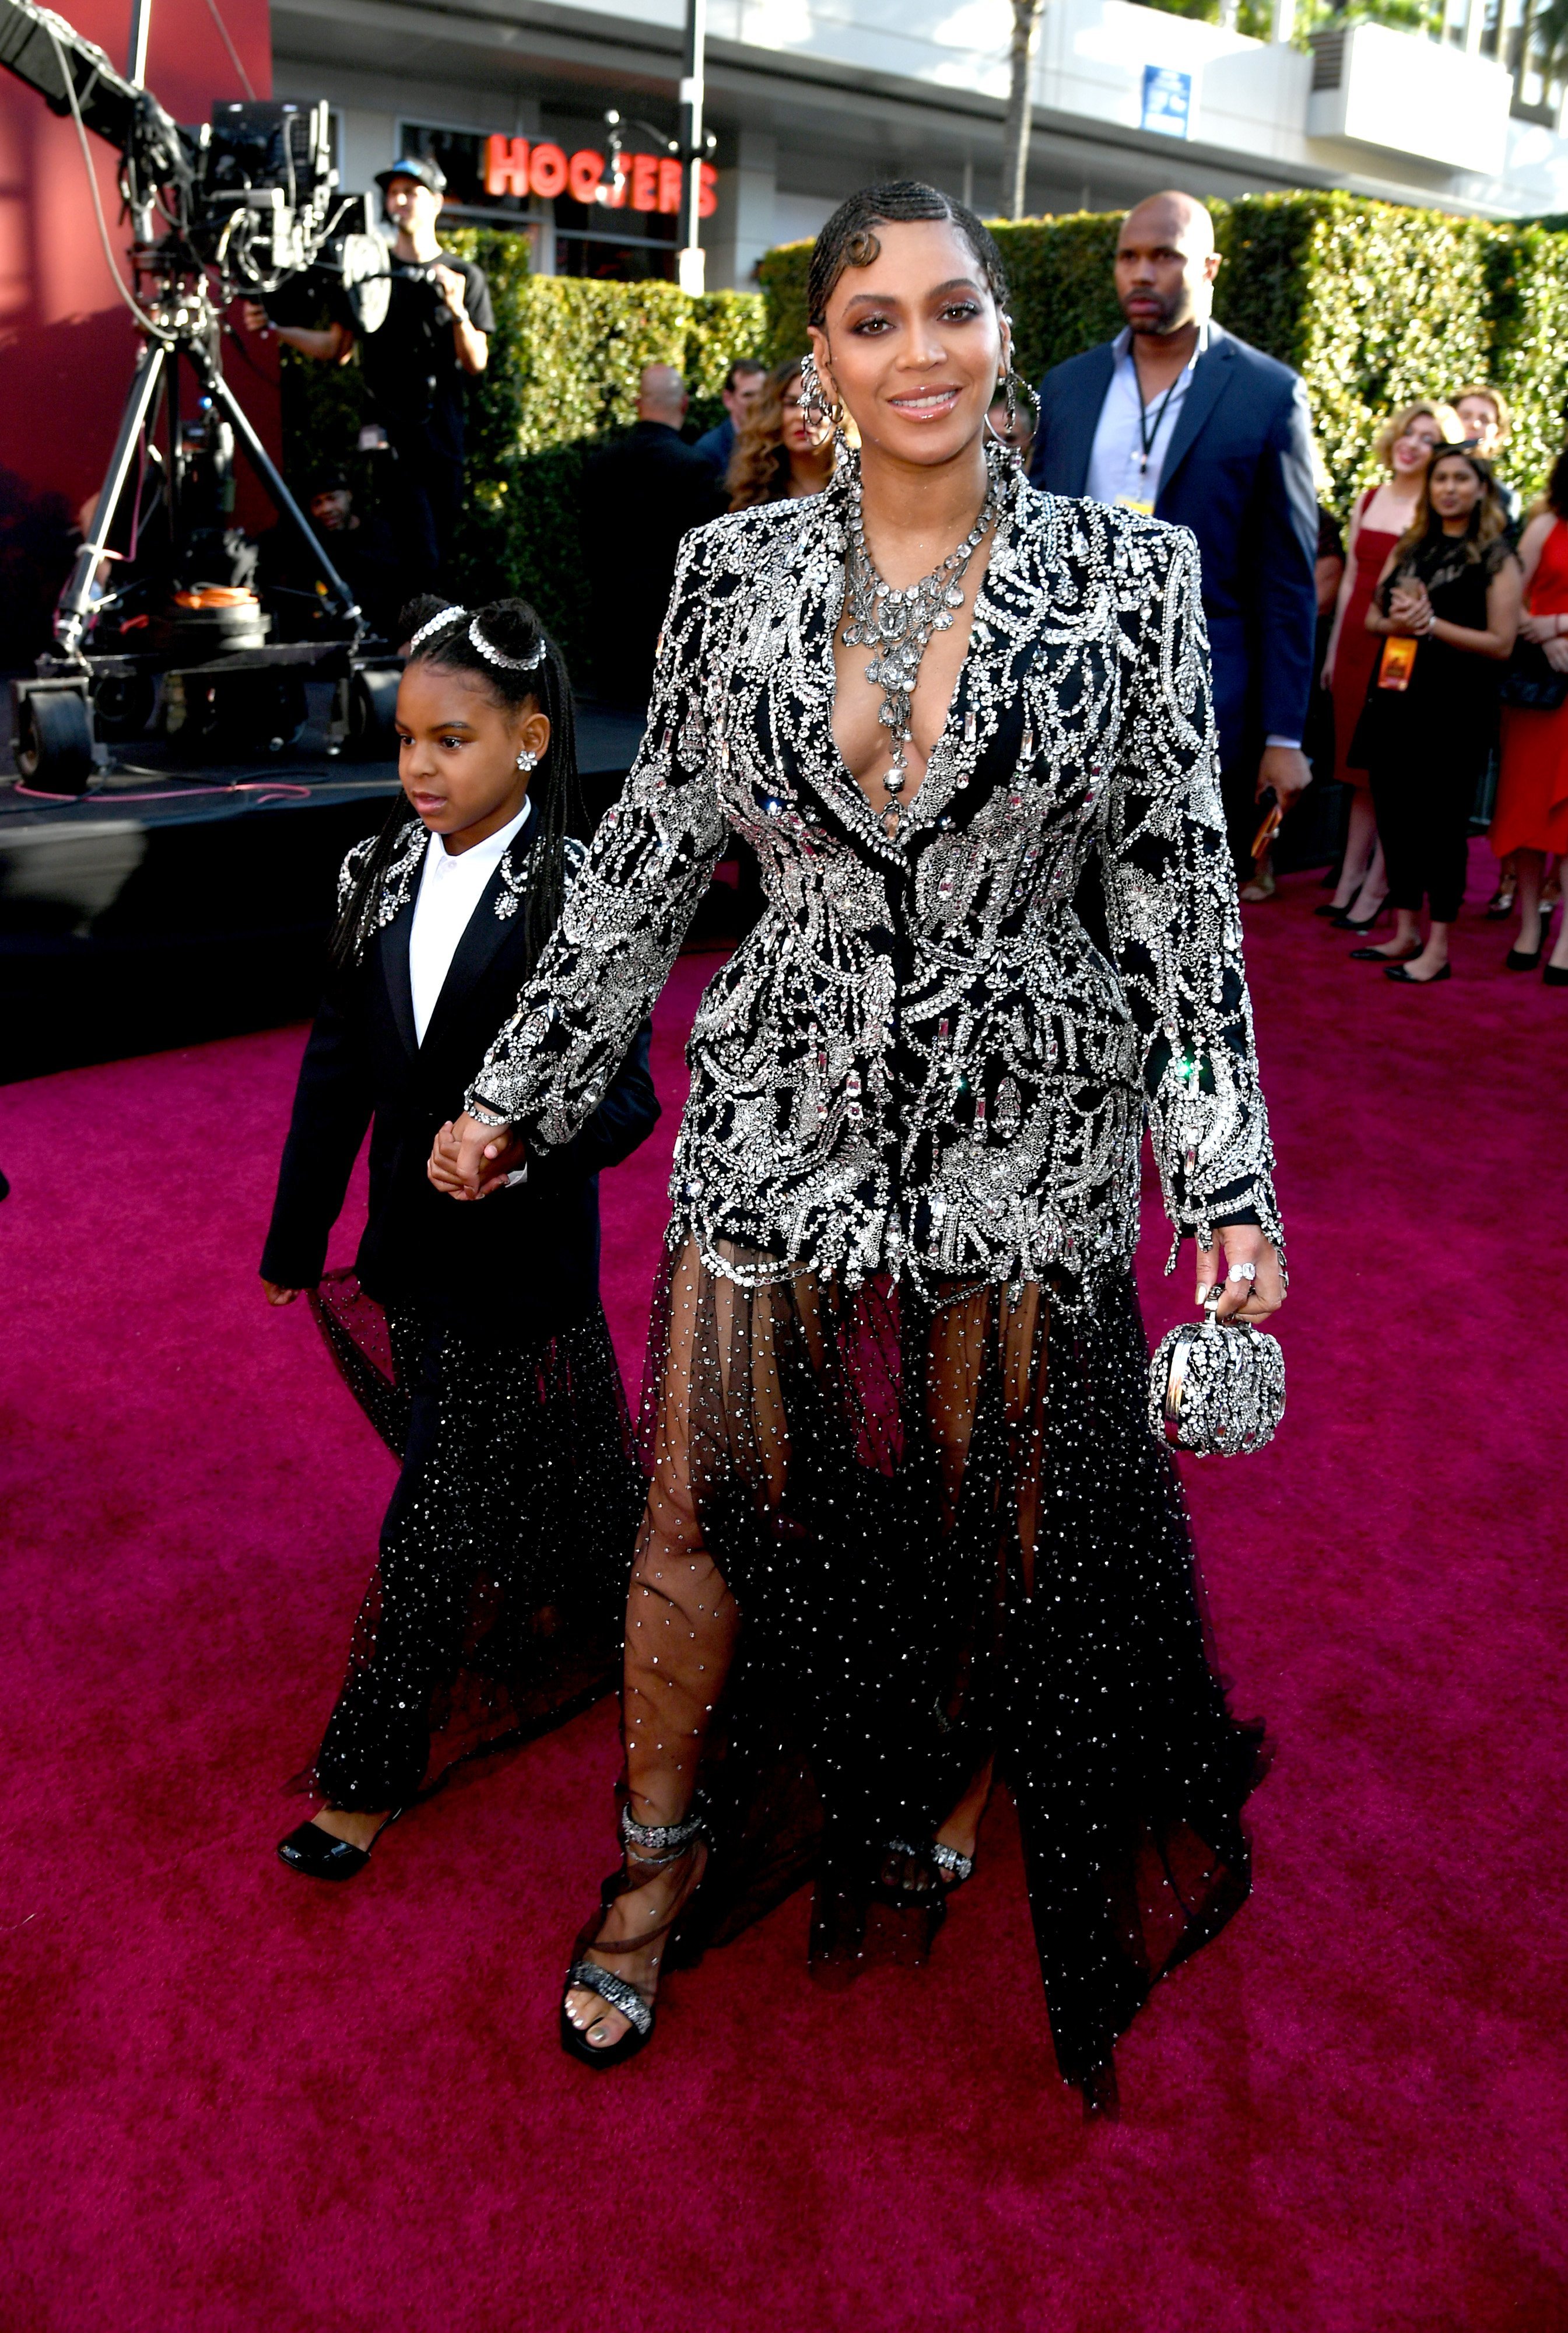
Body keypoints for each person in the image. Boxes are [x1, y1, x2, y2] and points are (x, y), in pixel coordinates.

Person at [433, 181, 1285, 2113]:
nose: (922, 349)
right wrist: (521, 1086)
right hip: (780, 1103)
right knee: (689, 1510)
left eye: (955, 312)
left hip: (1026, 1113)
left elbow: (1175, 901)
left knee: (1004, 1508)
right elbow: (647, 856)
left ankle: (951, 1781)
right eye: (875, 318)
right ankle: (651, 1868)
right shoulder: (727, 575)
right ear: (815, 357)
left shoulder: (1126, 580)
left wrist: (1219, 1185)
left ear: (1001, 340)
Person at [260, 594, 660, 1876]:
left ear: (533, 739)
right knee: (531, 1457)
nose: (420, 768)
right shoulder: (372, 871)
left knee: (431, 1511)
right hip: (407, 1249)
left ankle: (366, 1772)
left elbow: (631, 1095)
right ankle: (610, 1598)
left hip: (519, 1258)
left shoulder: (576, 897)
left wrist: (522, 1138)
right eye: (406, 741)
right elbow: (337, 1065)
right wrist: (295, 1230)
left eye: (453, 740)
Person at [1027, 190, 1318, 879]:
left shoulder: (1267, 393)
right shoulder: (1070, 386)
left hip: (1204, 697)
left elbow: (1286, 580)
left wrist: (1283, 735)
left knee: (1174, 907)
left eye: (1164, 255)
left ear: (1209, 268)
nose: (1141, 273)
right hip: (1072, 687)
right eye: (1128, 256)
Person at [242, 156, 493, 600]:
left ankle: (425, 648)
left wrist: (456, 310)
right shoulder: (368, 275)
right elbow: (335, 349)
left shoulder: (464, 276)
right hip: (386, 438)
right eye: (393, 193)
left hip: (441, 439)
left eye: (411, 192)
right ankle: (405, 648)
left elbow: (475, 362)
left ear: (435, 202)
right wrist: (275, 328)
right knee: (405, 553)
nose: (400, 201)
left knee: (436, 554)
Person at [1348, 448, 1520, 986]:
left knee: (1442, 827)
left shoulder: (1496, 557)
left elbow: (1501, 643)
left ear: (1480, 489)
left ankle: (1439, 947)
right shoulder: (1413, 545)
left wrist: (1431, 626)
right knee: (1395, 817)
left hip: (1456, 709)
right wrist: (1396, 622)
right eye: (1439, 478)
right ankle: (1404, 930)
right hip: (1396, 700)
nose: (1448, 488)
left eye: (1459, 479)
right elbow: (1373, 617)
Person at [1318, 401, 1465, 930]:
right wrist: (1335, 653)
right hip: (1354, 644)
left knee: (1391, 771)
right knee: (1357, 771)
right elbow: (1354, 582)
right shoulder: (1369, 500)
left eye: (1427, 438)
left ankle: (1381, 884)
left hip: (1400, 651)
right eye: (1408, 431)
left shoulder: (1435, 511)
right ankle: (1351, 875)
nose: (1411, 443)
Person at [581, 363, 721, 709]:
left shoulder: (601, 464)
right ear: (685, 404)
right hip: (672, 632)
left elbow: (588, 545)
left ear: (637, 402)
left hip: (610, 624)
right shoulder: (697, 469)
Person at [1490, 444, 1568, 985]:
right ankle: (1527, 927)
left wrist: (1559, 624)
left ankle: (1567, 939)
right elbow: (1511, 598)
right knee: (1523, 813)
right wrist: (1536, 631)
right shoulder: (1547, 524)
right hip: (1537, 694)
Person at [257, 474, 400, 641]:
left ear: (349, 495)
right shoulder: (310, 543)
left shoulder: (380, 535)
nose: (326, 509)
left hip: (383, 637)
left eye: (332, 499)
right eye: (318, 503)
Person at [725, 357, 836, 509]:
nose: (802, 415)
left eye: (816, 403)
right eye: (791, 404)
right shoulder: (751, 494)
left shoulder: (865, 487)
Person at [692, 359, 768, 480]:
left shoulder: (777, 442)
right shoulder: (708, 451)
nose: (757, 403)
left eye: (762, 395)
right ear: (728, 400)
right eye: (748, 395)